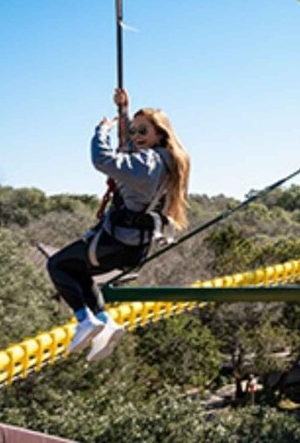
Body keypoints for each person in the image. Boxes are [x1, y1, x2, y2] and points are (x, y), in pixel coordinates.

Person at [46, 88, 191, 362]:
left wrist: (101, 131)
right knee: (80, 273)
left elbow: (104, 159)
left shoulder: (146, 163)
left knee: (57, 265)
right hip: (135, 245)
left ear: (160, 134)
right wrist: (124, 112)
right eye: (134, 131)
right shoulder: (168, 161)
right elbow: (130, 145)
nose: (135, 136)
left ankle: (84, 320)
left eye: (142, 132)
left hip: (116, 240)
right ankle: (103, 320)